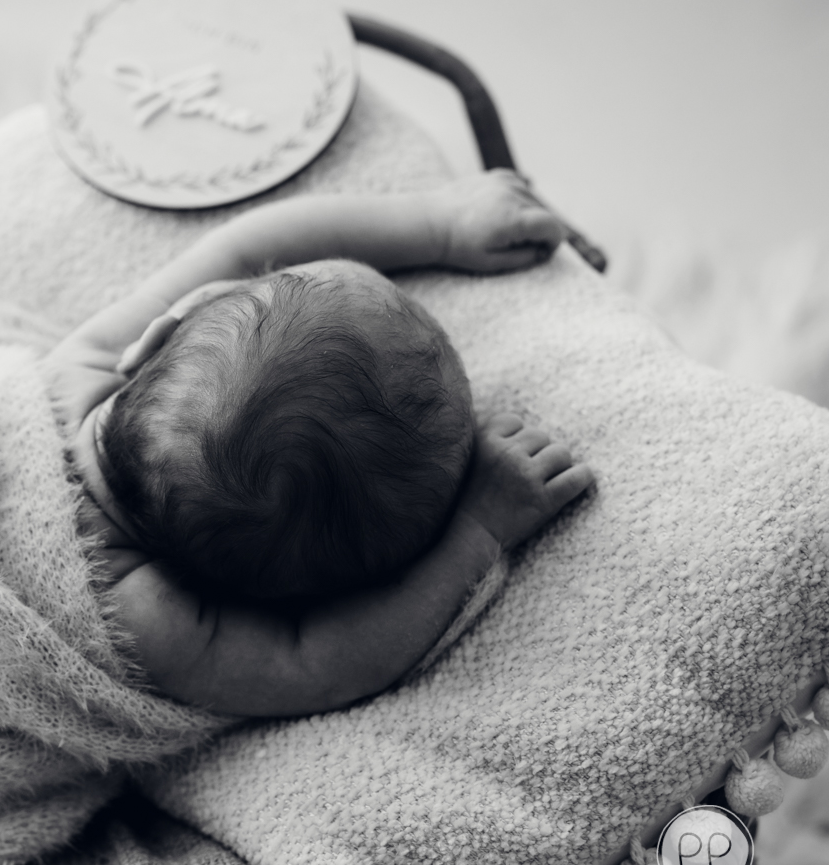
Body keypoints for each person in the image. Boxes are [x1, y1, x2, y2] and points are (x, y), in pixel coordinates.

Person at [46, 170, 595, 718]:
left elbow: (240, 248)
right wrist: (480, 524)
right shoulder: (154, 619)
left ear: (158, 335)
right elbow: (315, 665)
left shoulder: (72, 376)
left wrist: (438, 221)